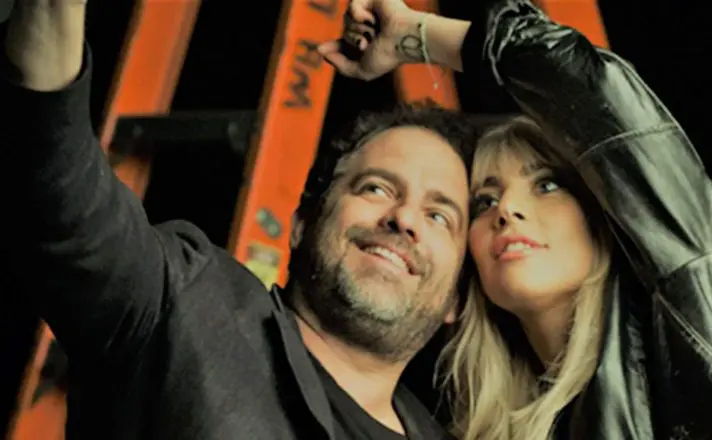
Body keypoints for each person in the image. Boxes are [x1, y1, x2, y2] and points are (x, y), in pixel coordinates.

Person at [1, 1, 477, 439]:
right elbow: (60, 188)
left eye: (439, 216)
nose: (404, 218)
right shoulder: (184, 303)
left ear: (457, 297)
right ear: (301, 223)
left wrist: (430, 37)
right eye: (376, 188)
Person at [321, 0, 712, 439]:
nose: (506, 210)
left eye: (546, 185)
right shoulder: (476, 426)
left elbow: (601, 99)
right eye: (484, 201)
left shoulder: (694, 311)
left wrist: (416, 35)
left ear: (604, 217)